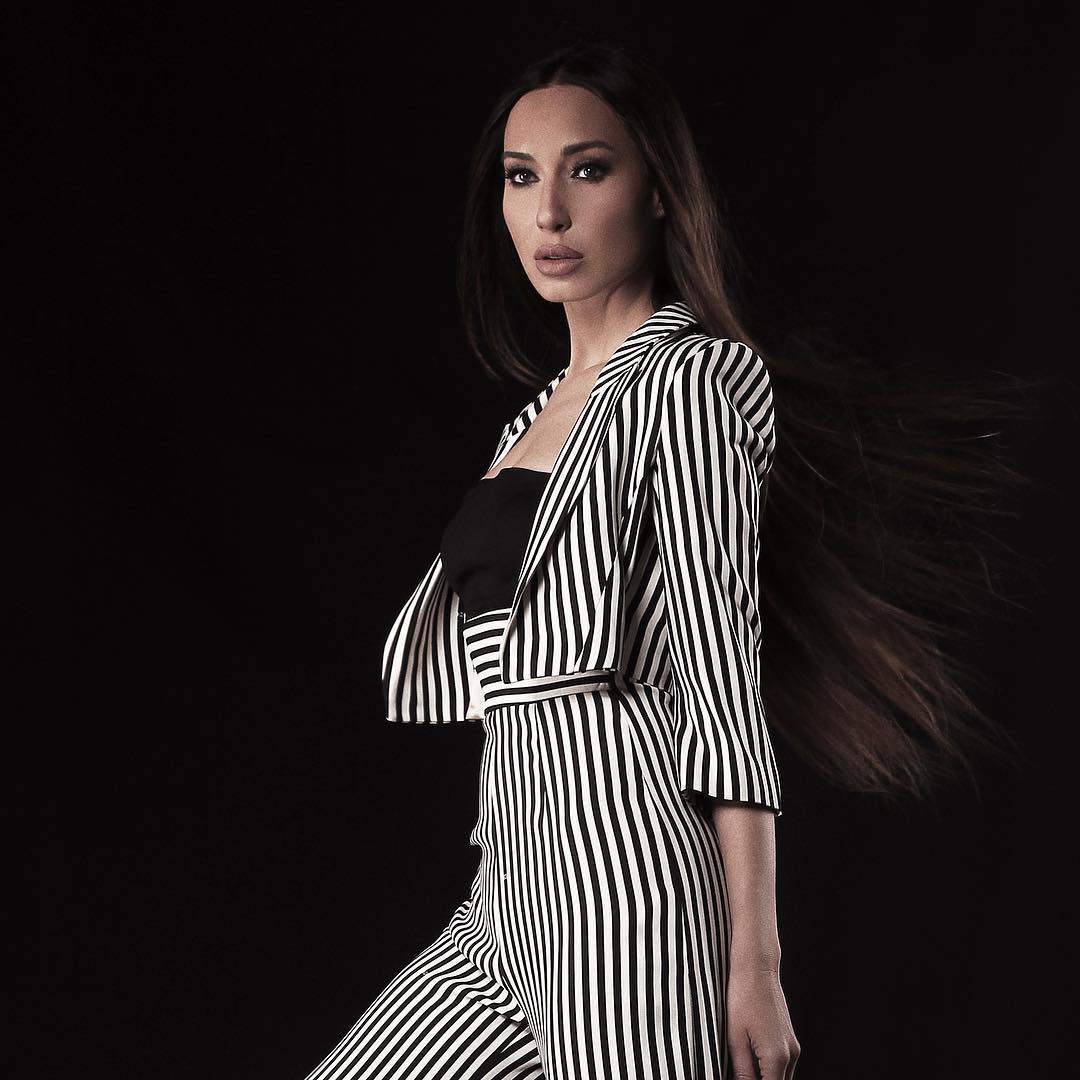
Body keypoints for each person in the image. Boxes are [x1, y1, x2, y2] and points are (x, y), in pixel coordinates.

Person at [304, 36, 1027, 1080]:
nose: (550, 214)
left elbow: (723, 677)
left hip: (626, 890)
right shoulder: (531, 420)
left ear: (657, 192)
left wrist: (756, 962)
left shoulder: (690, 383)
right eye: (522, 178)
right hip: (504, 898)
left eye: (588, 170)